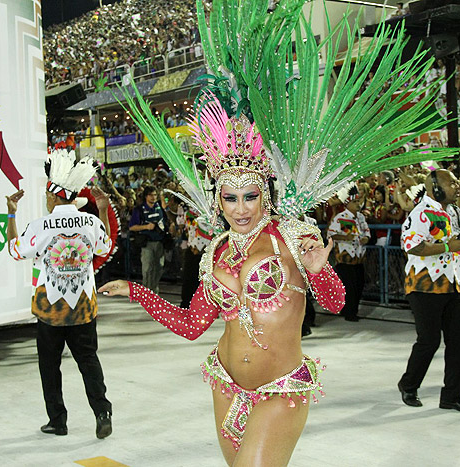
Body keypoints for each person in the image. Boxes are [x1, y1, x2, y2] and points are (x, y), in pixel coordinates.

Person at [100, 102, 346, 465]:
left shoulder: (293, 236)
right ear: (218, 200)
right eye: (230, 198)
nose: (241, 209)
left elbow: (336, 302)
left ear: (267, 195)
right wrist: (137, 292)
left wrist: (317, 270)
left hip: (280, 388)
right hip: (226, 384)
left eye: (251, 197)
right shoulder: (216, 250)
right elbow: (192, 325)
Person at [6, 150, 115, 439]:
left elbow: (15, 250)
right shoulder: (90, 222)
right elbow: (105, 247)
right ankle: (102, 412)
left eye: (46, 195)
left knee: (49, 366)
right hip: (83, 308)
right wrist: (102, 208)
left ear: (54, 197)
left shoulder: (41, 225)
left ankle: (58, 420)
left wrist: (11, 213)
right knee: (89, 360)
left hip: (50, 309)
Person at [398, 169, 460, 412]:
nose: (457, 186)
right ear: (435, 188)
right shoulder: (420, 213)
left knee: (458, 340)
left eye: (457, 183)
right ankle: (409, 384)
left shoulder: (453, 211)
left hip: (451, 283)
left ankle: (451, 397)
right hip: (424, 285)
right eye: (452, 183)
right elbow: (412, 246)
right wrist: (448, 246)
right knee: (429, 340)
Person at [327, 182, 371, 322]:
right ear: (348, 203)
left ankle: (352, 310)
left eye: (359, 201)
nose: (358, 204)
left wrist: (365, 238)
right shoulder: (340, 218)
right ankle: (349, 312)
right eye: (355, 201)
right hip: (345, 258)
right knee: (349, 287)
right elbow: (330, 235)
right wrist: (345, 237)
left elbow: (367, 233)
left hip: (358, 257)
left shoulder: (361, 217)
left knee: (359, 285)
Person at [129, 185, 168, 293]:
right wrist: (146, 227)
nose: (153, 197)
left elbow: (167, 207)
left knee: (159, 267)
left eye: (155, 195)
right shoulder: (139, 210)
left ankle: (154, 290)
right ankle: (146, 291)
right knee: (147, 268)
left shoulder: (160, 207)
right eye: (151, 195)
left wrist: (162, 196)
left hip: (160, 241)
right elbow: (132, 227)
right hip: (147, 243)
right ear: (146, 196)